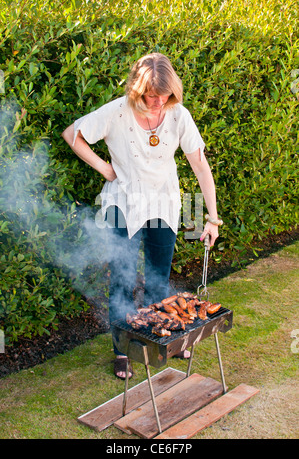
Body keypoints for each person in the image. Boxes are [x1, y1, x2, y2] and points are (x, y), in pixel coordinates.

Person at [62, 53, 222, 379]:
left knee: (158, 280)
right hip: (122, 205)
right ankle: (123, 350)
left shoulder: (178, 115)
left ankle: (161, 341)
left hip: (163, 205)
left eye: (164, 96)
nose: (158, 103)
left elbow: (200, 165)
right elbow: (72, 134)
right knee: (121, 281)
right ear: (137, 90)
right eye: (151, 96)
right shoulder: (117, 111)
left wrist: (213, 218)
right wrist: (104, 168)